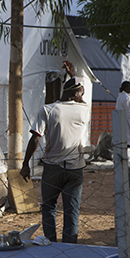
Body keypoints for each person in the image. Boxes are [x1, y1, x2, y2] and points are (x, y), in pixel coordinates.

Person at [20, 77, 90, 243]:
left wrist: (25, 165)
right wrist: (73, 76)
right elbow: (80, 99)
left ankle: (50, 244)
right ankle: (69, 248)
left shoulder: (48, 110)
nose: (83, 96)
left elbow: (35, 138)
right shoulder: (83, 110)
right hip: (75, 168)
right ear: (75, 93)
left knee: (49, 207)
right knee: (71, 211)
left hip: (52, 167)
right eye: (82, 92)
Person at [115, 81, 130, 159]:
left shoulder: (120, 97)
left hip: (120, 123)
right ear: (126, 88)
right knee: (127, 144)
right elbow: (129, 113)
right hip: (127, 124)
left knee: (122, 145)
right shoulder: (127, 98)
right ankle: (127, 161)